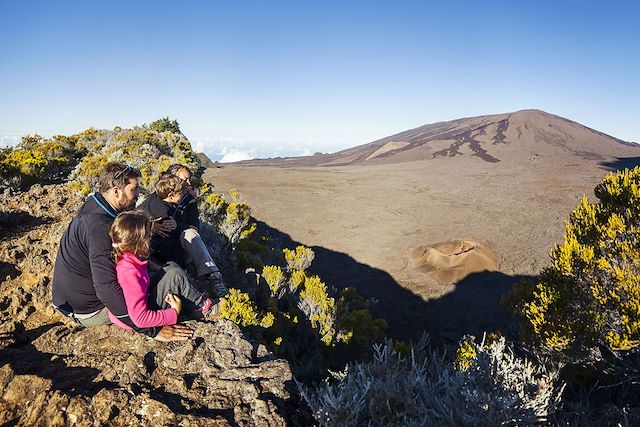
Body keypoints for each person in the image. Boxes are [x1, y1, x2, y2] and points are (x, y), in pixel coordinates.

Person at [52, 162, 192, 341]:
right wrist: (152, 331)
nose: (137, 194)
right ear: (116, 191)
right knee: (169, 280)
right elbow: (106, 288)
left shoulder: (96, 205)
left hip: (70, 299)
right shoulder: (100, 229)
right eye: (133, 189)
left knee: (162, 270)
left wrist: (149, 226)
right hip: (87, 310)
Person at [108, 210, 219, 330]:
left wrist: (183, 280)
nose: (149, 241)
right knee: (175, 275)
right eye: (147, 238)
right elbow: (140, 319)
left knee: (171, 267)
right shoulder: (130, 273)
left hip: (145, 300)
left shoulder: (128, 257)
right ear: (137, 244)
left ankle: (194, 296)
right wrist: (173, 312)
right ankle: (202, 308)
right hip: (140, 316)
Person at [140, 168, 230, 301]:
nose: (188, 183)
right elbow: (135, 219)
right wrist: (150, 226)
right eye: (183, 180)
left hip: (179, 243)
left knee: (190, 234)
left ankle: (213, 275)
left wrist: (178, 225)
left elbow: (194, 227)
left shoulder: (189, 200)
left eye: (189, 179)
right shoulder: (156, 200)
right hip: (158, 248)